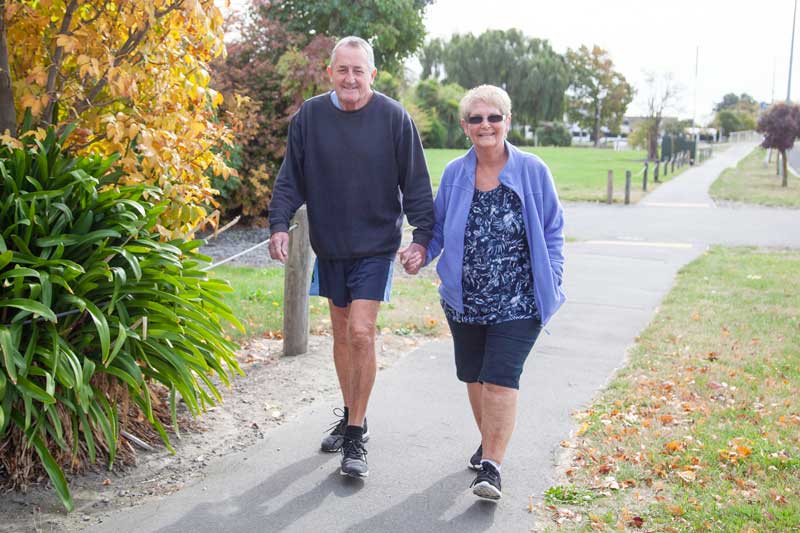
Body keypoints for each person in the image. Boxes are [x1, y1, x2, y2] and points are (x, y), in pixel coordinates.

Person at [268, 36, 433, 479]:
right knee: (341, 335)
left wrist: (421, 236)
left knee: (362, 332)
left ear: (372, 74)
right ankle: (349, 413)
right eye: (343, 70)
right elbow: (291, 177)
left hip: (376, 246)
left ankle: (356, 434)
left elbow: (416, 183)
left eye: (359, 70)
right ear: (331, 73)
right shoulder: (310, 116)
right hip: (331, 245)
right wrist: (279, 223)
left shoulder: (395, 119)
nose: (350, 78)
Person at [402, 85, 565, 500]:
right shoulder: (457, 173)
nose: (485, 125)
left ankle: (491, 467)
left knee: (498, 380)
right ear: (465, 126)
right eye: (476, 119)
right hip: (464, 300)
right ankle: (489, 442)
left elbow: (552, 229)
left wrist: (555, 276)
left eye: (494, 117)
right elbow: (438, 228)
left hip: (519, 300)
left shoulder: (532, 170)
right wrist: (421, 251)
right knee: (474, 379)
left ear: (507, 121)